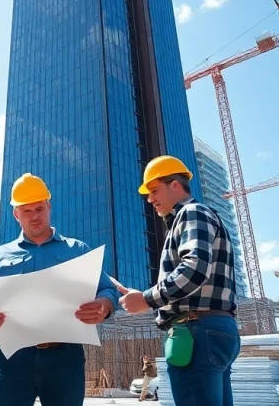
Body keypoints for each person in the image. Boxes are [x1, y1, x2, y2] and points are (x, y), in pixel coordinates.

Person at [0, 172, 121, 406]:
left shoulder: (77, 250)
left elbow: (108, 290)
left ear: (49, 206)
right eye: (27, 211)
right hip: (12, 359)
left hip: (65, 358)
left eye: (39, 208)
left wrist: (104, 305)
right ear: (16, 214)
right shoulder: (0, 256)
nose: (34, 216)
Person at [116, 155, 240, 406]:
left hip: (194, 330)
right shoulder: (202, 216)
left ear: (175, 185)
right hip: (214, 328)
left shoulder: (191, 212)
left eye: (154, 190)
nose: (150, 199)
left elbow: (194, 269)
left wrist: (147, 299)